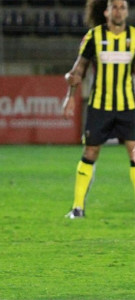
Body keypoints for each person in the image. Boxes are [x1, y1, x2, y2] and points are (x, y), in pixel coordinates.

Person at [63, 0, 135, 219]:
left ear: (127, 12)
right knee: (90, 152)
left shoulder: (134, 37)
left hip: (128, 106)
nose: (119, 11)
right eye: (115, 7)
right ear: (106, 12)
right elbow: (79, 69)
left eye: (123, 7)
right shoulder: (94, 36)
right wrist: (70, 96)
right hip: (99, 106)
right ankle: (77, 208)